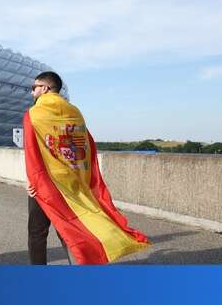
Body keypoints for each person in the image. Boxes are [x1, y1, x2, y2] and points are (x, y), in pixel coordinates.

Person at [23, 71, 149, 265]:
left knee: (37, 233)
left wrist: (33, 181)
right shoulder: (75, 112)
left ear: (45, 88)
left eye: (35, 87)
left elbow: (32, 152)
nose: (32, 92)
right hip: (74, 183)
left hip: (47, 185)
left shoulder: (34, 114)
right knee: (72, 229)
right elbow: (85, 145)